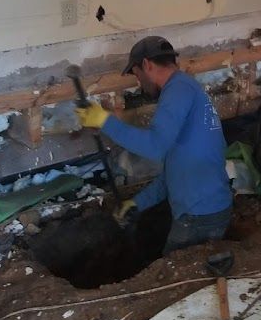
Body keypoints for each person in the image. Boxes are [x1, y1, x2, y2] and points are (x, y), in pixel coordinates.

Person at [76, 35, 232, 253]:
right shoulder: (185, 90)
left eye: (137, 75)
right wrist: (138, 202)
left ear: (147, 64)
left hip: (199, 216)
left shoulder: (178, 90)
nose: (139, 84)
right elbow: (175, 172)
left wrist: (104, 121)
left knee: (174, 277)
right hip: (204, 209)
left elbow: (155, 146)